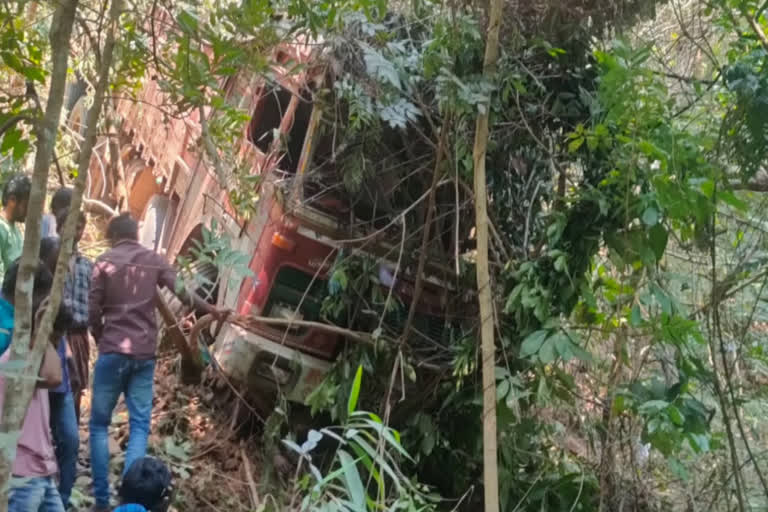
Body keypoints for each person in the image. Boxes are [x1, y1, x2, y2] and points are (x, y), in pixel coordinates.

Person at [88, 213, 228, 511]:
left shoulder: (104, 262)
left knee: (99, 425)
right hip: (143, 356)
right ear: (136, 235)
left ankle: (101, 501)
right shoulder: (152, 260)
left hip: (112, 352)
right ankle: (133, 502)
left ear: (113, 237)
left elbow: (92, 311)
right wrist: (212, 310)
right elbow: (183, 291)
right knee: (139, 426)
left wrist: (102, 338)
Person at [0, 259, 66, 512]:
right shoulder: (13, 334)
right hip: (19, 466)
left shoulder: (22, 332)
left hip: (36, 464)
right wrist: (41, 331)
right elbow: (52, 377)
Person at [40, 237, 80, 510]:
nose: (61, 273)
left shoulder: (60, 291)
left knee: (71, 438)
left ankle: (62, 501)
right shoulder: (29, 291)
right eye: (56, 266)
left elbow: (59, 336)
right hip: (37, 383)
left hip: (60, 381)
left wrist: (70, 359)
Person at [56, 207, 92, 423]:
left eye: (79, 228)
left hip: (78, 336)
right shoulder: (48, 260)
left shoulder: (86, 265)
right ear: (59, 229)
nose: (75, 232)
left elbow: (94, 301)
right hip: (55, 336)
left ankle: (71, 437)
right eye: (70, 227)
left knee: (76, 386)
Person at [0, 174, 31, 282]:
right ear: (12, 200)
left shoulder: (16, 231)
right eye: (25, 206)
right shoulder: (1, 228)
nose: (28, 211)